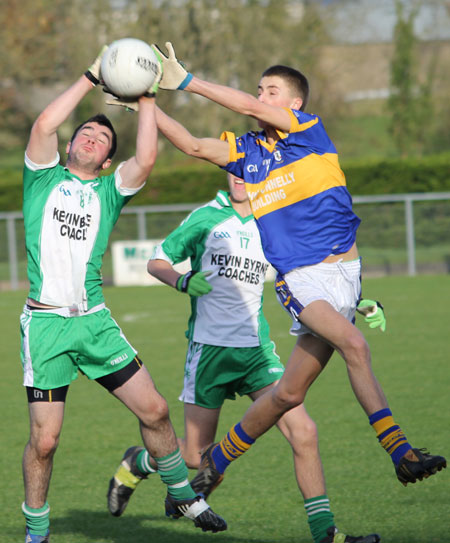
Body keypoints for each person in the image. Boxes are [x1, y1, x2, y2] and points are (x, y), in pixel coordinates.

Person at [105, 42, 446, 542]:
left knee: (289, 394)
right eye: (260, 88)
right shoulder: (250, 153)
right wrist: (149, 102)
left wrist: (189, 81)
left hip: (346, 275)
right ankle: (400, 451)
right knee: (355, 345)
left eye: (271, 91)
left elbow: (246, 106)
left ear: (295, 106)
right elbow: (197, 146)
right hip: (301, 278)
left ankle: (218, 461)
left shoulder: (309, 132)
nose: (259, 96)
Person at [19, 46, 227, 543]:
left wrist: (149, 95)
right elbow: (46, 123)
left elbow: (149, 157)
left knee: (154, 410)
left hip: (94, 321)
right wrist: (91, 75)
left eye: (101, 137)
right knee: (45, 442)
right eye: (84, 133)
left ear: (108, 159)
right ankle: (36, 531)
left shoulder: (108, 193)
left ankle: (183, 494)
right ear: (69, 148)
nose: (90, 137)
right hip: (46, 326)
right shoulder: (41, 180)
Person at [107, 171, 383, 543]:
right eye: (234, 171)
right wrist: (183, 281)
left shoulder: (273, 223)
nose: (240, 179)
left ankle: (326, 534)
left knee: (304, 432)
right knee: (195, 459)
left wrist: (354, 302)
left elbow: (313, 274)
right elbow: (158, 261)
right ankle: (138, 462)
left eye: (248, 173)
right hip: (209, 352)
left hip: (257, 353)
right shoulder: (206, 217)